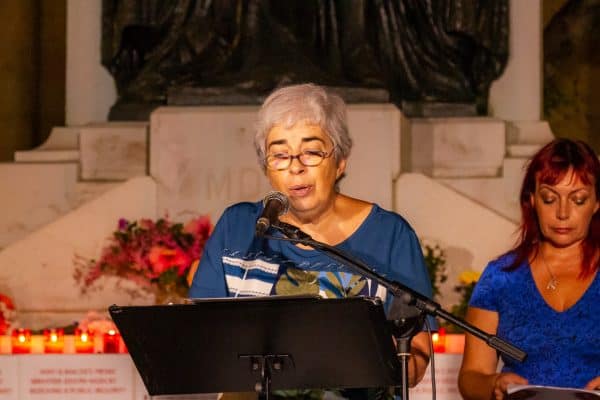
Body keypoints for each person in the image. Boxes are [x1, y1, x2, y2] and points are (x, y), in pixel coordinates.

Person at [189, 83, 434, 396]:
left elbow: (417, 356)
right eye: (280, 155)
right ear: (266, 168)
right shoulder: (237, 228)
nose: (296, 167)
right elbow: (202, 345)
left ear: (340, 161)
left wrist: (380, 354)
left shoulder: (389, 235)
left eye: (312, 152)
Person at [458, 138, 600, 399]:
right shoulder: (501, 277)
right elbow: (471, 376)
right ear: (532, 199)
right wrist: (494, 384)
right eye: (549, 198)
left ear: (596, 202)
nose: (563, 212)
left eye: (578, 200)